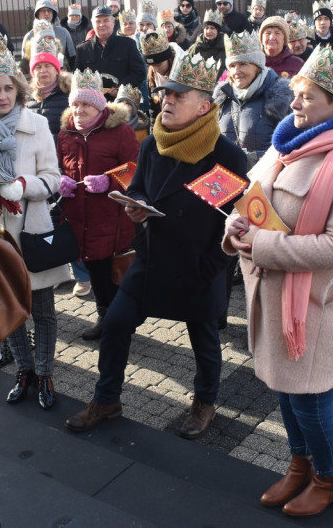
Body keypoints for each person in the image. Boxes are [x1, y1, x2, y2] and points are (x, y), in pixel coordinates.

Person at [222, 46, 333, 518]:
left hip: (317, 303)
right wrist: (234, 228)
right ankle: (299, 468)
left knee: (313, 404)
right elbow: (251, 199)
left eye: (307, 97)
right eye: (296, 94)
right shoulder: (286, 142)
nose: (294, 104)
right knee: (285, 391)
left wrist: (261, 247)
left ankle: (328, 477)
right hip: (273, 294)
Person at [65, 54, 248, 440]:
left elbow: (236, 223)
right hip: (152, 259)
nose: (167, 99)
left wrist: (214, 263)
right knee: (114, 324)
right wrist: (136, 208)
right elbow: (138, 189)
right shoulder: (151, 143)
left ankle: (205, 402)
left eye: (179, 96)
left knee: (204, 341)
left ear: (203, 106)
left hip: (199, 264)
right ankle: (107, 398)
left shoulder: (226, 155)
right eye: (166, 92)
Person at [0, 33, 70, 411]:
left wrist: (25, 185)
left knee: (41, 309)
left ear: (18, 89)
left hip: (33, 229)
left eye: (8, 87)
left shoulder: (37, 125)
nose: (2, 95)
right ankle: (23, 371)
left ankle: (44, 373)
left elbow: (54, 180)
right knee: (7, 310)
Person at [57, 70, 140, 341]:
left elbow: (135, 171)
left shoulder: (121, 132)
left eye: (86, 105)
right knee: (94, 270)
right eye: (75, 104)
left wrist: (109, 182)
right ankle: (105, 317)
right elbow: (57, 166)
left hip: (111, 219)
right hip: (80, 221)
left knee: (112, 274)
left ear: (99, 106)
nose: (79, 110)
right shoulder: (66, 133)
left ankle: (118, 322)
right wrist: (59, 181)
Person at [216, 30, 293, 169]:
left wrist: (248, 159)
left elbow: (290, 149)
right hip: (226, 183)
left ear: (257, 66)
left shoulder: (280, 98)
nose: (236, 71)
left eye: (243, 64)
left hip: (263, 182)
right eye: (232, 66)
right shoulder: (222, 98)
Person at [75, 5, 146, 91]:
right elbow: (77, 79)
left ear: (113, 22)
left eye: (106, 20)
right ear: (92, 23)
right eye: (98, 21)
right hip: (94, 101)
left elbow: (139, 73)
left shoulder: (128, 45)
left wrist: (121, 87)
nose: (102, 24)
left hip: (121, 100)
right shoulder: (82, 49)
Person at [26, 37, 71, 139]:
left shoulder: (69, 94)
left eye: (47, 66)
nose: (43, 70)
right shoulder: (27, 96)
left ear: (56, 70)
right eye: (38, 67)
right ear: (33, 72)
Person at [141, 25, 184, 125]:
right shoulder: (152, 75)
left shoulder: (182, 73)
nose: (155, 69)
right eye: (151, 65)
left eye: (158, 64)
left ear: (168, 59)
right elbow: (153, 111)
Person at [22, 0, 77, 70]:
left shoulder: (63, 32)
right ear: (37, 14)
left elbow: (72, 57)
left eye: (49, 11)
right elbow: (25, 63)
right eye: (43, 11)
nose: (47, 13)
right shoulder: (29, 36)